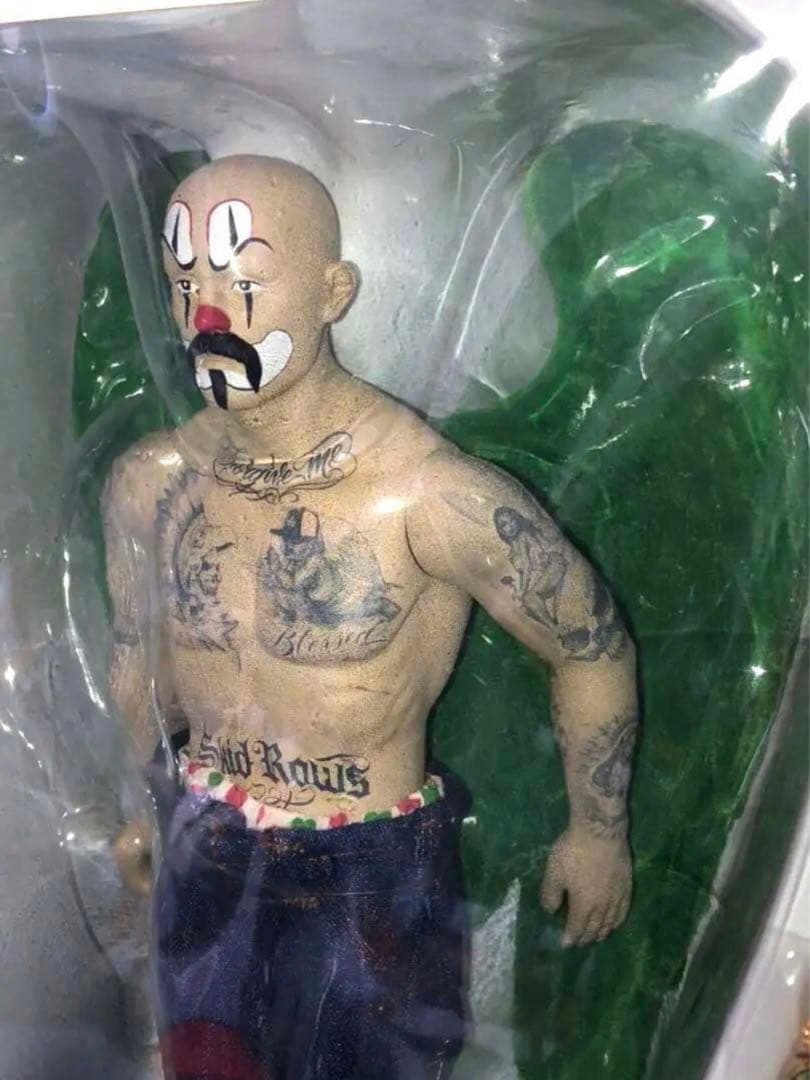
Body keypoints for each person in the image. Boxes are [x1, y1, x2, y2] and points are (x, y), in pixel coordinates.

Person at [104, 155, 638, 1080]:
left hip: (368, 873)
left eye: (244, 279)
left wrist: (598, 831)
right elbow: (134, 656)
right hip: (206, 841)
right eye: (186, 281)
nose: (209, 313)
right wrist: (139, 805)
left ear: (332, 293)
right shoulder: (150, 484)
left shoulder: (430, 495)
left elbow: (591, 646)